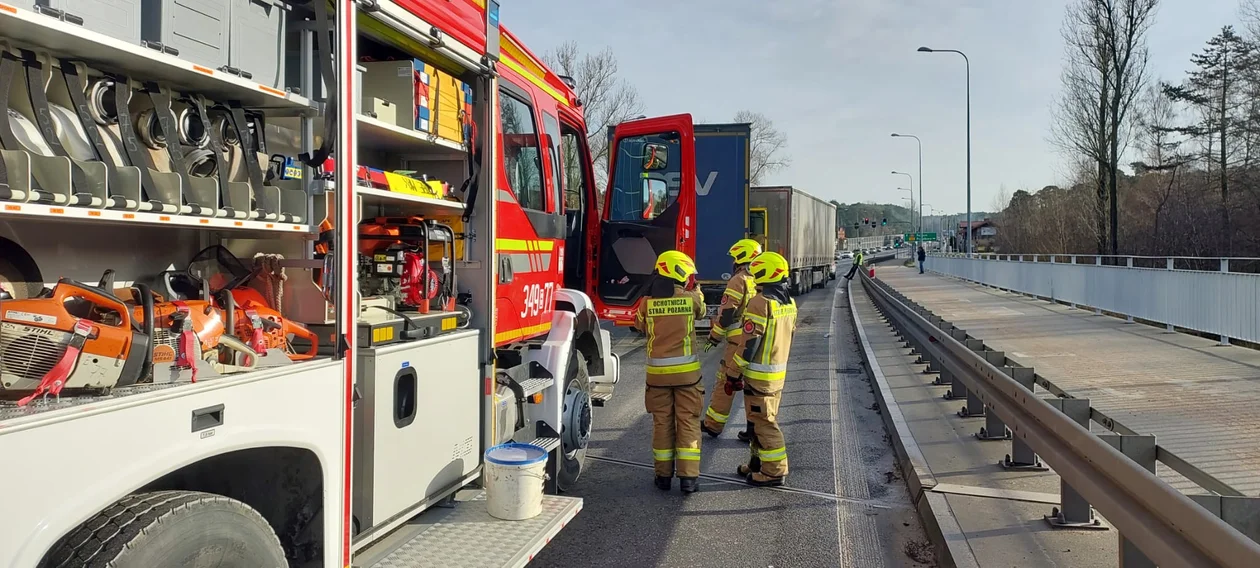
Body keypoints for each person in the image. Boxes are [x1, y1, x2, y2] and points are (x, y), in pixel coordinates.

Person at [634, 250, 706, 493]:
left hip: (657, 377)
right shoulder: (691, 299)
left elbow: (639, 324)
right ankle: (688, 479)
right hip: (687, 377)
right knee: (687, 422)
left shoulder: (646, 302)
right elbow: (702, 311)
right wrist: (695, 290)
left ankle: (662, 477)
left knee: (662, 424)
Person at [729, 251, 797, 487]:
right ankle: (757, 464)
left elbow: (749, 343)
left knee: (764, 423)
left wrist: (733, 372)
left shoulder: (760, 302)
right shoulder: (788, 303)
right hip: (776, 375)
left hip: (759, 377)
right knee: (756, 421)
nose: (753, 275)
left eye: (756, 271)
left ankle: (775, 471)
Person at [701, 239, 761, 440]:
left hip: (737, 343)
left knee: (726, 382)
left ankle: (713, 425)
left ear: (740, 258)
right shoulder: (759, 280)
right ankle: (754, 430)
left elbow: (727, 314)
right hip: (756, 343)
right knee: (753, 388)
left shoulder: (739, 280)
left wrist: (714, 337)